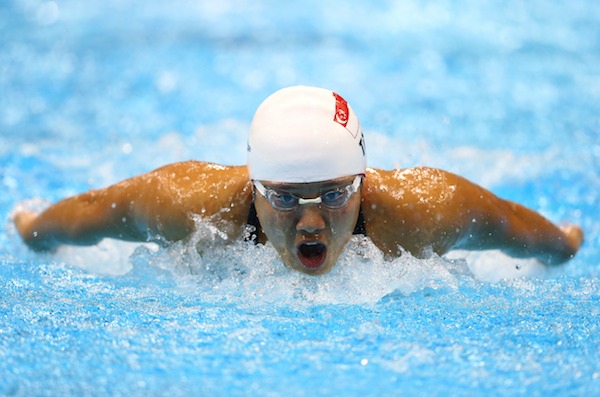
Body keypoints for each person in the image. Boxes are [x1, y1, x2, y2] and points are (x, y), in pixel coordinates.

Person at [13, 86, 583, 275]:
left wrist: (564, 246)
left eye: (335, 193)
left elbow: (512, 225)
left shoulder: (421, 211)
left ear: (361, 181)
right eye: (285, 198)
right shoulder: (192, 208)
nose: (311, 221)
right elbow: (97, 208)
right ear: (255, 185)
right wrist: (34, 228)